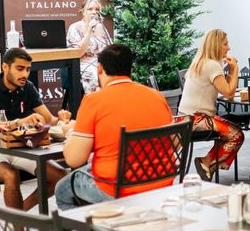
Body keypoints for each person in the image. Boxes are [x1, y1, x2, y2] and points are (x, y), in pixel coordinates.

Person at [54, 44, 174, 210]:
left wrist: (71, 132)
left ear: (99, 68)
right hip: (162, 182)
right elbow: (175, 143)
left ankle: (102, 226)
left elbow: (74, 159)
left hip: (116, 188)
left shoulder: (93, 101)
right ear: (130, 69)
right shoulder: (156, 96)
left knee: (62, 190)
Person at [0, 47, 69, 211]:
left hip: (20, 148)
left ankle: (20, 213)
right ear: (5, 67)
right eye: (20, 68)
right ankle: (18, 226)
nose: (25, 74)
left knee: (61, 176)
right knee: (11, 175)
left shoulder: (28, 88)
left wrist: (61, 118)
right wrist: (18, 122)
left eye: (28, 69)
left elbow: (49, 120)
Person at [178, 29, 244, 180]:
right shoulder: (212, 65)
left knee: (229, 131)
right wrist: (235, 70)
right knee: (237, 135)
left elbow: (225, 89)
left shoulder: (200, 62)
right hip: (197, 120)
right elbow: (229, 93)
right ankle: (206, 162)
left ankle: (207, 165)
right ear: (216, 45)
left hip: (185, 118)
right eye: (225, 44)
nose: (228, 48)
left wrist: (229, 72)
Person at [66, 0, 113, 94]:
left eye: (97, 9)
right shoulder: (74, 27)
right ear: (83, 11)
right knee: (94, 75)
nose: (94, 12)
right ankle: (96, 101)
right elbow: (78, 53)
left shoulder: (101, 27)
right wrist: (89, 32)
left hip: (100, 62)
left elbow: (109, 49)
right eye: (90, 9)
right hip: (83, 63)